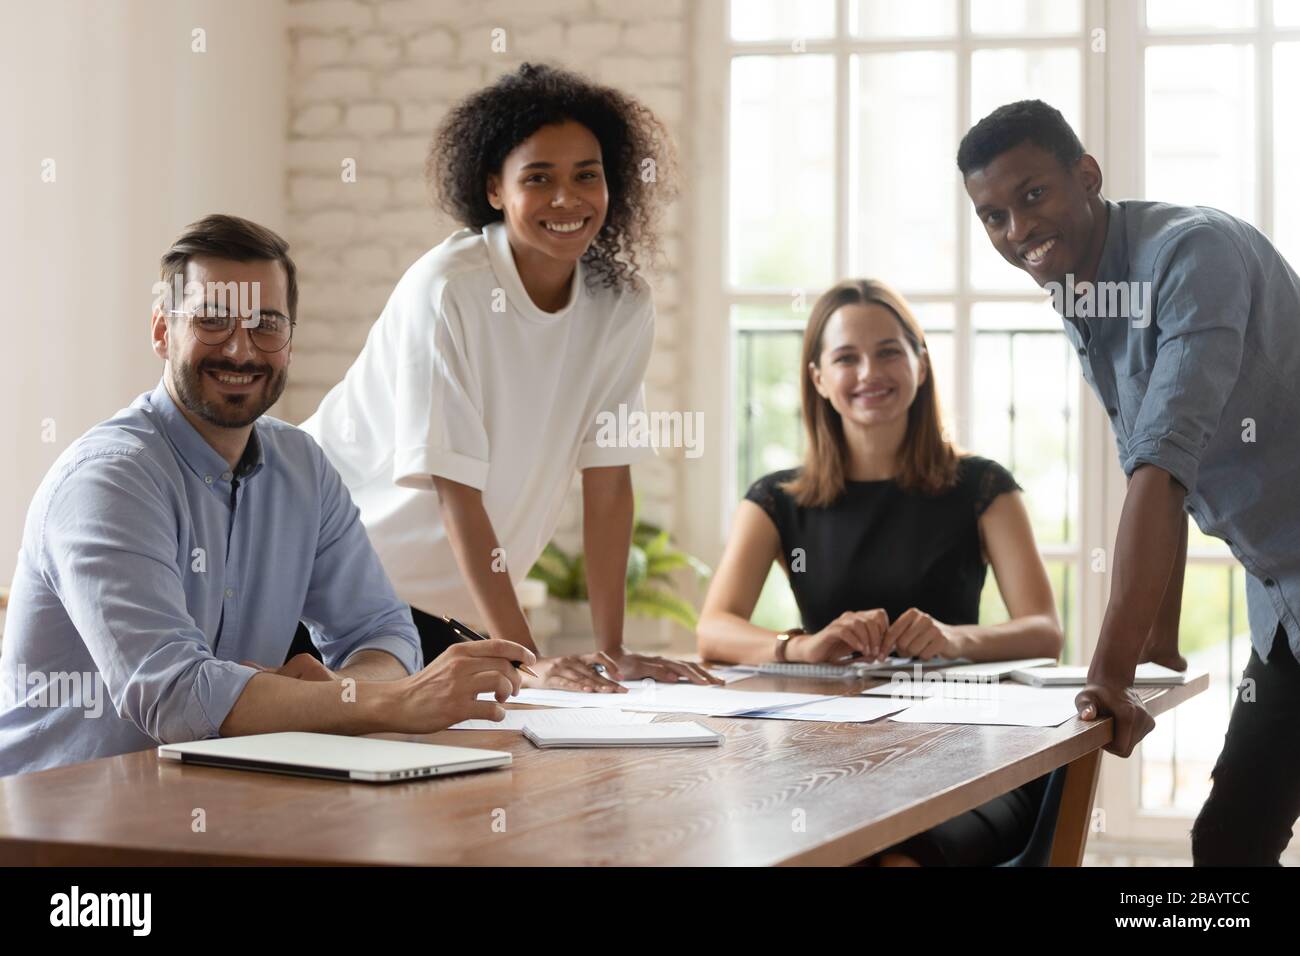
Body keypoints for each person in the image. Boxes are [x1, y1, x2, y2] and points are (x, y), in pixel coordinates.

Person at [0, 214, 533, 777]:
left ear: (290, 342)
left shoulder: (300, 465)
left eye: (266, 325)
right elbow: (176, 695)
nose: (240, 350)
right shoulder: (107, 480)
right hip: (60, 820)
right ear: (162, 331)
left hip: (216, 801)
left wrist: (344, 691)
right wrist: (395, 701)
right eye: (212, 321)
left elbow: (382, 631)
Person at [300, 63, 717, 692]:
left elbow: (607, 482)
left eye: (587, 175)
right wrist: (527, 655)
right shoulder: (449, 290)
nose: (566, 199)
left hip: (437, 611)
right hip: (319, 585)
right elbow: (456, 491)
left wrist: (614, 650)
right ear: (494, 188)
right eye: (538, 178)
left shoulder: (620, 304)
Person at [960, 99, 1300, 865]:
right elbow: (1148, 452)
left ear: (1086, 176)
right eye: (992, 216)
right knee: (1230, 846)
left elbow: (1164, 460)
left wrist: (1108, 675)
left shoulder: (1193, 255)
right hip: (1284, 602)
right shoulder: (1080, 287)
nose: (1017, 232)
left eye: (1033, 195)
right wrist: (1158, 634)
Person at [697, 278, 1063, 865]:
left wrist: (954, 640)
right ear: (818, 378)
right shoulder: (777, 498)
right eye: (846, 356)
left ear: (921, 360)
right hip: (825, 756)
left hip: (965, 755)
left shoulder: (982, 486)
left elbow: (1045, 629)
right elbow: (714, 628)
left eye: (890, 351)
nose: (871, 371)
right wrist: (801, 647)